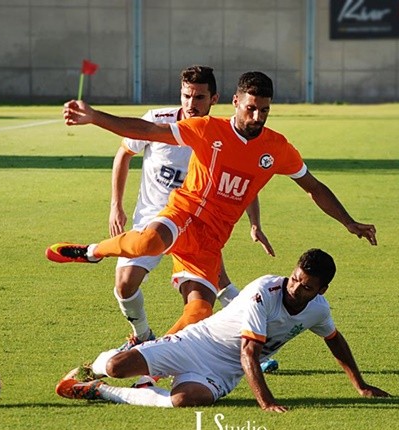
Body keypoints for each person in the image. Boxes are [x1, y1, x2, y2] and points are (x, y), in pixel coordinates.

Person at [47, 71, 377, 344]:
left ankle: (148, 363)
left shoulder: (277, 148)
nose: (257, 117)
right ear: (235, 102)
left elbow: (313, 187)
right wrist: (95, 117)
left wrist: (348, 222)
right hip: (183, 213)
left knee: (199, 313)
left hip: (211, 239)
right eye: (251, 108)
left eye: (264, 110)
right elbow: (146, 130)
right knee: (147, 243)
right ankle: (93, 252)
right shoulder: (207, 129)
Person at [55, 249, 390, 411]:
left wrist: (360, 386)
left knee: (184, 400)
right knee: (117, 366)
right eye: (294, 279)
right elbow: (249, 352)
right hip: (196, 343)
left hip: (224, 372)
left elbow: (334, 340)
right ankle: (95, 366)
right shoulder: (264, 291)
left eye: (306, 287)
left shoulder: (318, 310)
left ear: (321, 290)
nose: (295, 289)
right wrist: (266, 402)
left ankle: (99, 391)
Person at [102, 66, 273, 351]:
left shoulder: (221, 133)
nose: (191, 103)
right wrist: (115, 206)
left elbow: (245, 181)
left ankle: (253, 348)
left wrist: (255, 223)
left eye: (199, 97)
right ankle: (142, 335)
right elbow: (124, 154)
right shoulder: (158, 121)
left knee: (212, 292)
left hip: (198, 223)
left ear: (214, 98)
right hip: (154, 220)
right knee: (124, 284)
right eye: (186, 96)